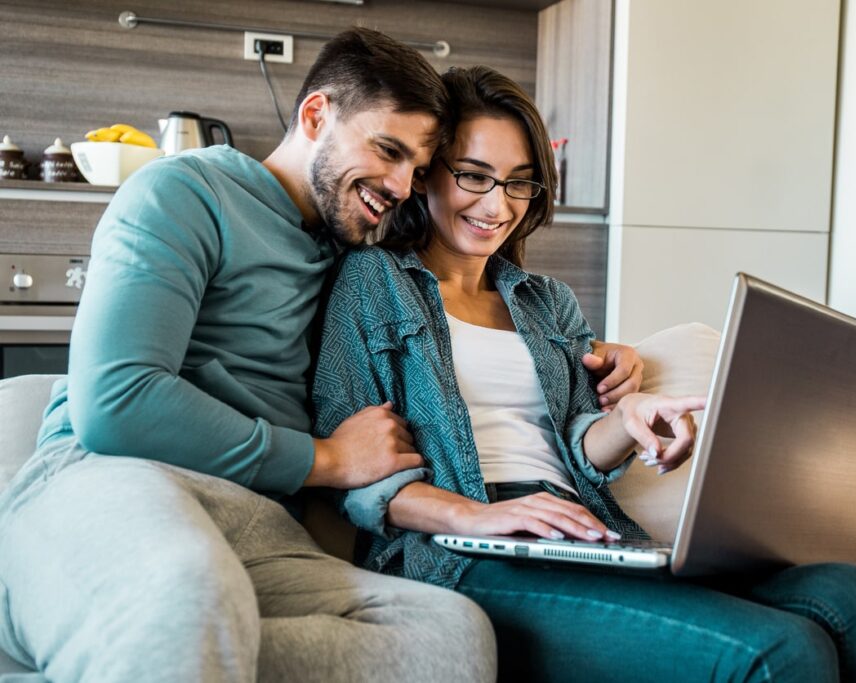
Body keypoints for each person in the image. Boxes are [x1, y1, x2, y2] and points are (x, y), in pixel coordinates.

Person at [312, 65, 856, 682]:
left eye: (519, 182)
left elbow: (581, 447)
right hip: (460, 554)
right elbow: (355, 474)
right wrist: (475, 517)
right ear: (425, 175)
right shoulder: (372, 281)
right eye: (474, 175)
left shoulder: (546, 301)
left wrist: (627, 420)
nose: (497, 205)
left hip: (581, 529)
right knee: (783, 649)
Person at [0, 29, 498, 683]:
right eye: (388, 150)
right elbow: (116, 403)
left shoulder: (355, 257)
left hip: (257, 526)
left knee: (450, 635)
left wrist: (590, 360)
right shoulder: (184, 192)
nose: (403, 185)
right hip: (111, 483)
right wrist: (327, 460)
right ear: (316, 116)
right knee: (187, 590)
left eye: (419, 169)